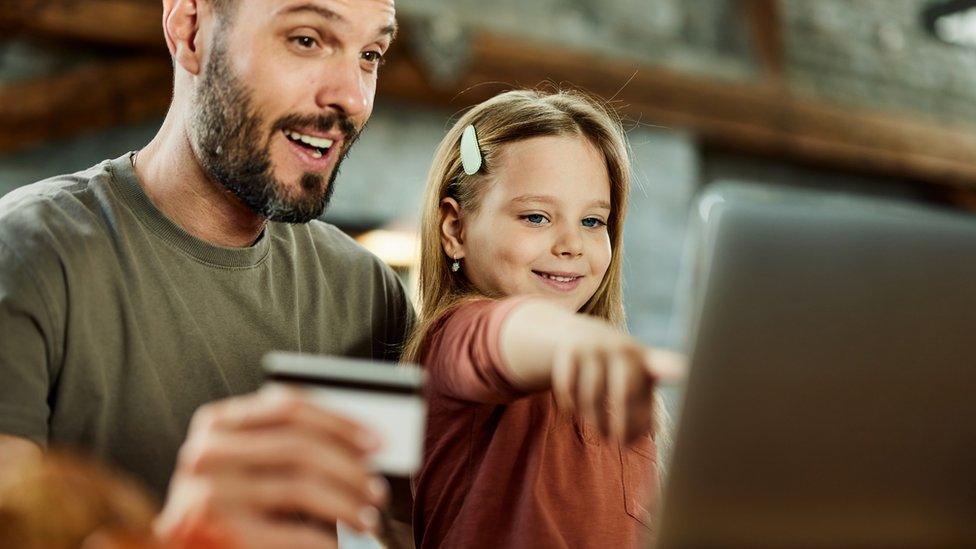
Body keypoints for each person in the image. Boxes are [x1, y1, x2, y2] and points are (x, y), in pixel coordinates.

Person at [0, 0, 413, 546]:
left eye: (370, 54)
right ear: (190, 30)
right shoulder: (28, 252)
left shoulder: (368, 293)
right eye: (306, 40)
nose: (352, 97)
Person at [404, 89, 683, 548]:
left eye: (593, 222)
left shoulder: (621, 399)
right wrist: (574, 343)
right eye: (536, 217)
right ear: (455, 229)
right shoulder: (454, 336)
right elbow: (503, 335)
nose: (571, 244)